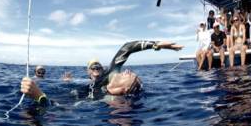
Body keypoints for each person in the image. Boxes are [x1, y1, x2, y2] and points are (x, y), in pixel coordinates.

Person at [21, 40, 183, 106]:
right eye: (93, 67)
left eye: (98, 66)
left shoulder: (109, 84)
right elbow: (127, 48)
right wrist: (157, 45)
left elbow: (127, 48)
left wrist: (39, 96)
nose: (97, 69)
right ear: (88, 72)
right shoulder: (96, 83)